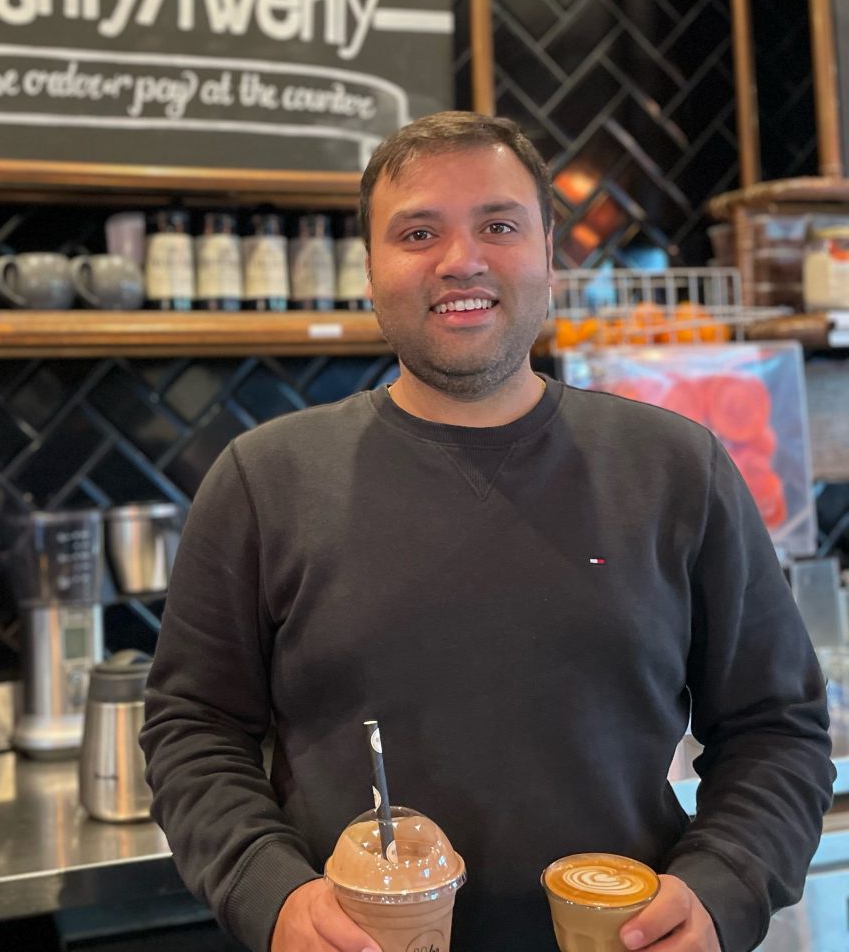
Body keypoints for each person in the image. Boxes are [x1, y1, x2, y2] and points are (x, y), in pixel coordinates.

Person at [140, 111, 834, 952]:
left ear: (550, 250)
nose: (460, 259)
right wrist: (271, 893)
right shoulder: (266, 478)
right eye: (418, 231)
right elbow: (194, 730)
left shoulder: (675, 467)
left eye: (498, 225)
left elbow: (776, 730)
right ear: (372, 269)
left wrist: (723, 886)